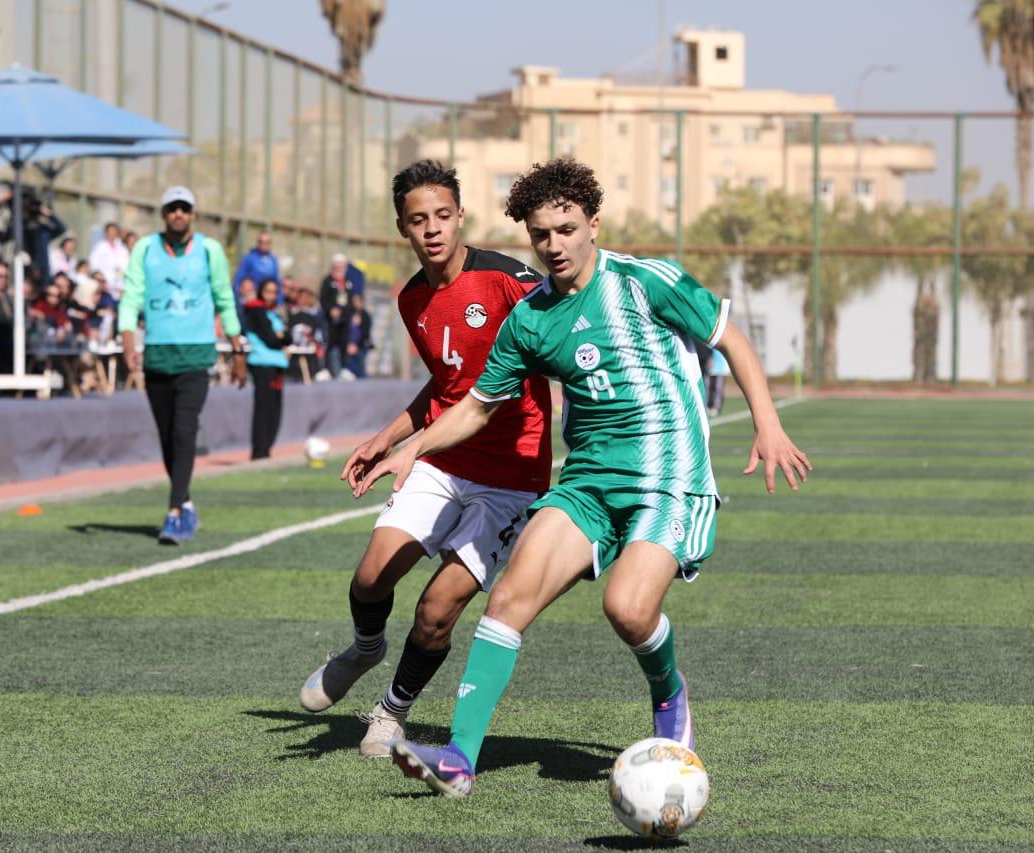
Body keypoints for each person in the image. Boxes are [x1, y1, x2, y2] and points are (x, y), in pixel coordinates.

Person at [354, 158, 811, 797]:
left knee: (627, 609)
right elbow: (477, 406)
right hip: (587, 480)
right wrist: (413, 448)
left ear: (593, 224)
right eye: (540, 234)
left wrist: (768, 423)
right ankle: (459, 760)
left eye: (566, 229)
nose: (554, 245)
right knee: (508, 599)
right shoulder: (530, 318)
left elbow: (728, 337)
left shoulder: (645, 282)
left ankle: (668, 692)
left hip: (666, 474)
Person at [299, 160, 552, 759]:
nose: (432, 228)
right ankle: (365, 649)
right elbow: (445, 386)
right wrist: (385, 438)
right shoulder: (412, 298)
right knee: (370, 578)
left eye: (442, 215)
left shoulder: (510, 280)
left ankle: (391, 712)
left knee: (437, 610)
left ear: (460, 216)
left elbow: (564, 333)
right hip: (441, 458)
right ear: (403, 228)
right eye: (419, 220)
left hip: (512, 476)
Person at [119, 186, 246, 545]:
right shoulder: (146, 248)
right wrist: (127, 338)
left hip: (196, 355)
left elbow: (224, 298)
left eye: (184, 208)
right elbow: (131, 294)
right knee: (166, 436)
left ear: (192, 214)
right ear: (164, 214)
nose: (178, 214)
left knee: (184, 431)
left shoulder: (209, 250)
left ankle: (174, 512)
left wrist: (238, 350)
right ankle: (185, 501)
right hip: (157, 355)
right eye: (172, 208)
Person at [243, 278, 289, 459]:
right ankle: (259, 451)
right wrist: (280, 337)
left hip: (277, 365)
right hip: (262, 364)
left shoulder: (274, 313)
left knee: (275, 410)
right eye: (268, 291)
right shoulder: (256, 310)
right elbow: (271, 339)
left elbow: (288, 336)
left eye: (274, 292)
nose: (271, 296)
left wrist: (282, 336)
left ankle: (267, 448)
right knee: (263, 409)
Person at [319, 252, 365, 374]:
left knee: (345, 342)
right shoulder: (327, 281)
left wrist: (355, 313)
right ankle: (326, 369)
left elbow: (352, 299)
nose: (340, 267)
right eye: (338, 264)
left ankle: (345, 369)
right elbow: (323, 299)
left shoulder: (348, 281)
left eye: (343, 264)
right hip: (330, 319)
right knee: (329, 343)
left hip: (345, 317)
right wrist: (330, 309)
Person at [285, 284, 326, 382]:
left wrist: (317, 342)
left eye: (306, 297)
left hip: (311, 346)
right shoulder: (291, 312)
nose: (303, 300)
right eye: (301, 297)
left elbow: (319, 331)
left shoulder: (316, 314)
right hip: (295, 347)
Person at [233, 231, 281, 304]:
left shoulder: (273, 260)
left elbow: (277, 281)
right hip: (252, 299)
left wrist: (279, 300)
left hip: (268, 299)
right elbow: (238, 279)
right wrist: (236, 297)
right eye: (261, 242)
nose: (264, 245)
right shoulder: (249, 258)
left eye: (267, 242)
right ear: (257, 243)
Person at [89, 222, 130, 299]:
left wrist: (121, 280)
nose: (112, 233)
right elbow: (93, 264)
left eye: (114, 231)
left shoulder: (122, 248)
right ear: (105, 232)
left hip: (119, 283)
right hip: (104, 284)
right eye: (110, 231)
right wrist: (100, 278)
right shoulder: (99, 247)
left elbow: (124, 264)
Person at [340, 291, 374, 378]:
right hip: (348, 346)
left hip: (360, 346)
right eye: (354, 301)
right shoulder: (349, 314)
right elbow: (344, 331)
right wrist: (348, 345)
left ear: (362, 302)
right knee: (348, 372)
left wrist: (357, 346)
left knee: (360, 369)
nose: (355, 303)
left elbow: (366, 333)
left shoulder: (366, 316)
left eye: (357, 301)